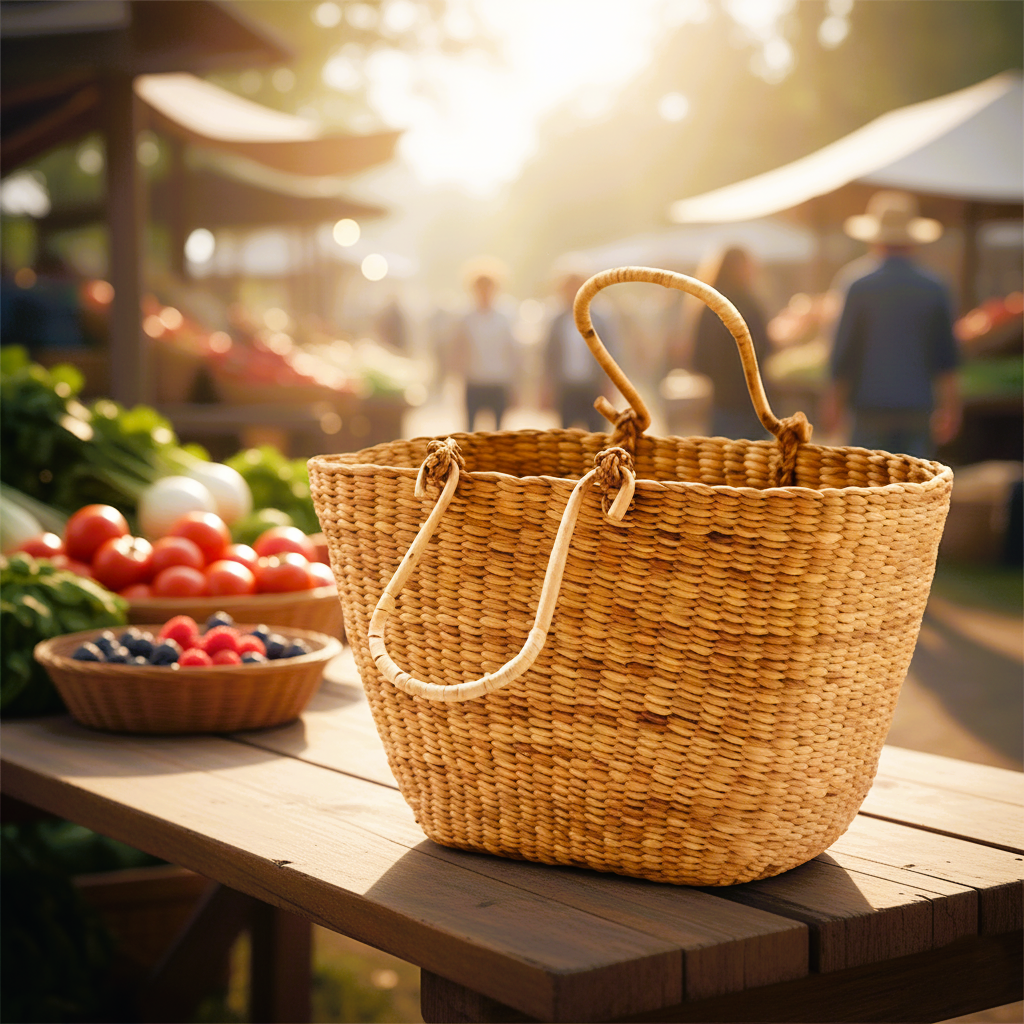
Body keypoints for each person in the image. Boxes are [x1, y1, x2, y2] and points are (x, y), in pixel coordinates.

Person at [822, 191, 961, 458]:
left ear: (875, 238)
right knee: (915, 491)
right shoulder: (934, 287)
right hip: (917, 409)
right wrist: (951, 407)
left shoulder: (857, 284)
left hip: (868, 408)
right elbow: (947, 357)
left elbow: (843, 352)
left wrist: (833, 404)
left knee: (868, 492)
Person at [688, 245, 771, 440]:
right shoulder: (747, 304)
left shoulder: (707, 304)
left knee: (723, 466)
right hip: (751, 405)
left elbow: (698, 360)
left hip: (724, 403)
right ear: (737, 267)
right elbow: (763, 347)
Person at [543, 263, 617, 432]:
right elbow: (549, 355)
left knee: (597, 433)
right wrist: (547, 386)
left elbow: (612, 351)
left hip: (594, 386)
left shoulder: (601, 317)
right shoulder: (556, 320)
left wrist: (609, 383)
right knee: (567, 435)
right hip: (566, 387)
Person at [451, 258, 519, 430]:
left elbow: (513, 351)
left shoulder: (505, 317)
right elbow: (458, 349)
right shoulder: (466, 317)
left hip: (499, 381)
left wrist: (516, 384)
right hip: (474, 381)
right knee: (470, 430)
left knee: (498, 431)